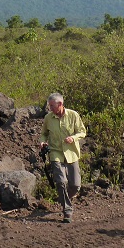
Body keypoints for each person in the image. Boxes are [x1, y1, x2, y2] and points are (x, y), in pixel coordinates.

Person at [39, 92, 86, 223]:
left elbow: (82, 132)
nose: (50, 108)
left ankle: (64, 199)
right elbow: (43, 134)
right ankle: (67, 211)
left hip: (71, 153)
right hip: (55, 152)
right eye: (49, 106)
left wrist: (73, 138)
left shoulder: (73, 115)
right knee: (60, 181)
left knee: (76, 185)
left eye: (52, 106)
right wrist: (42, 142)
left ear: (60, 104)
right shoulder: (48, 118)